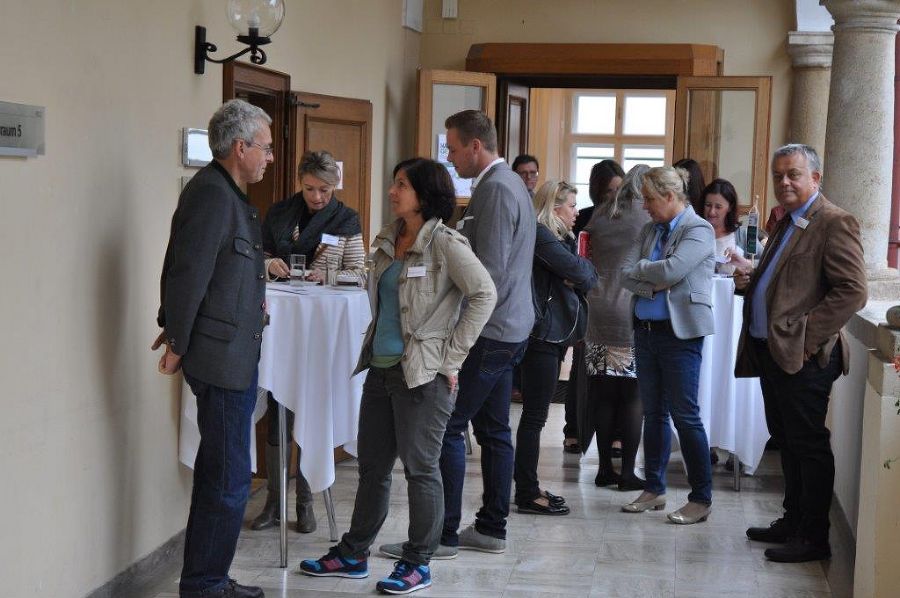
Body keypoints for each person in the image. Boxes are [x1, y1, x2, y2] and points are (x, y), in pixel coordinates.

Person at [298, 158, 496, 594]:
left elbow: (484, 293)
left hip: (423, 374)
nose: (392, 191)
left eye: (401, 185)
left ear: (424, 194)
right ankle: (353, 554)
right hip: (380, 369)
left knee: (422, 470)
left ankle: (417, 562)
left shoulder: (445, 243)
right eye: (394, 184)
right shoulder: (389, 238)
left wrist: (452, 358)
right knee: (372, 468)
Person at [152, 99, 271, 598]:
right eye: (264, 147)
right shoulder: (213, 196)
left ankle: (208, 579)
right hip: (219, 360)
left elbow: (219, 271)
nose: (268, 156)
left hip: (231, 353)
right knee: (228, 479)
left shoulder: (225, 192)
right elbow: (187, 273)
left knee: (221, 474)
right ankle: (205, 585)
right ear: (239, 147)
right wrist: (177, 339)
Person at [734, 144, 867, 563]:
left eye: (793, 174)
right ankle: (792, 521)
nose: (784, 182)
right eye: (778, 175)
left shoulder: (834, 221)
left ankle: (813, 537)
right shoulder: (791, 221)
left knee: (808, 445)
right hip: (773, 352)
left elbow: (853, 291)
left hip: (804, 357)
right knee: (787, 442)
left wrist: (806, 336)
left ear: (815, 177)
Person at [435, 109, 536, 556]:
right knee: (494, 430)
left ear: (476, 146)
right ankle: (491, 528)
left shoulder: (495, 189)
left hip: (491, 330)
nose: (451, 158)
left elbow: (487, 274)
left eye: (454, 149)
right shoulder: (509, 183)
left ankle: (440, 535)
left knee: (447, 427)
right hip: (510, 325)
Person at [251, 150, 365, 534]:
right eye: (310, 188)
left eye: (324, 190)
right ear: (300, 183)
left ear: (336, 186)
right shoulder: (280, 212)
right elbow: (260, 255)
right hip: (283, 321)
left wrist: (327, 276)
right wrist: (270, 265)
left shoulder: (346, 219)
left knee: (309, 408)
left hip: (320, 325)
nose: (317, 197)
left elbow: (359, 273)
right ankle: (273, 502)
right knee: (279, 412)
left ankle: (306, 500)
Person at [620, 165, 715, 525]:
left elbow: (673, 271)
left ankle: (701, 497)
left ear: (671, 197)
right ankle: (655, 489)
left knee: (685, 415)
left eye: (649, 199)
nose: (644, 206)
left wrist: (651, 273)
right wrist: (652, 281)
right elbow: (626, 274)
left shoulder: (699, 229)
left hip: (680, 335)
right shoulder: (649, 230)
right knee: (654, 413)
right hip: (645, 330)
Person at [514, 180, 598, 516]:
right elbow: (582, 272)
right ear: (554, 206)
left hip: (551, 333)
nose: (577, 213)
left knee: (534, 415)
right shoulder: (542, 234)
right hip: (541, 336)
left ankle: (526, 485)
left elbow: (582, 274)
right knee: (534, 416)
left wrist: (579, 272)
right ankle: (527, 491)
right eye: (572, 205)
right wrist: (578, 272)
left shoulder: (558, 237)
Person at [581, 164, 651, 491]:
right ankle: (627, 474)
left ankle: (603, 469)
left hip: (597, 310)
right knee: (632, 394)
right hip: (627, 312)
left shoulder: (601, 214)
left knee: (603, 393)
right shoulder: (646, 218)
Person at [566, 158, 626, 455]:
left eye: (619, 189)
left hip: (615, 302)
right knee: (581, 370)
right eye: (609, 191)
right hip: (587, 298)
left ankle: (615, 434)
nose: (614, 197)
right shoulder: (587, 218)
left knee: (616, 375)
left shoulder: (630, 220)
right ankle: (574, 429)